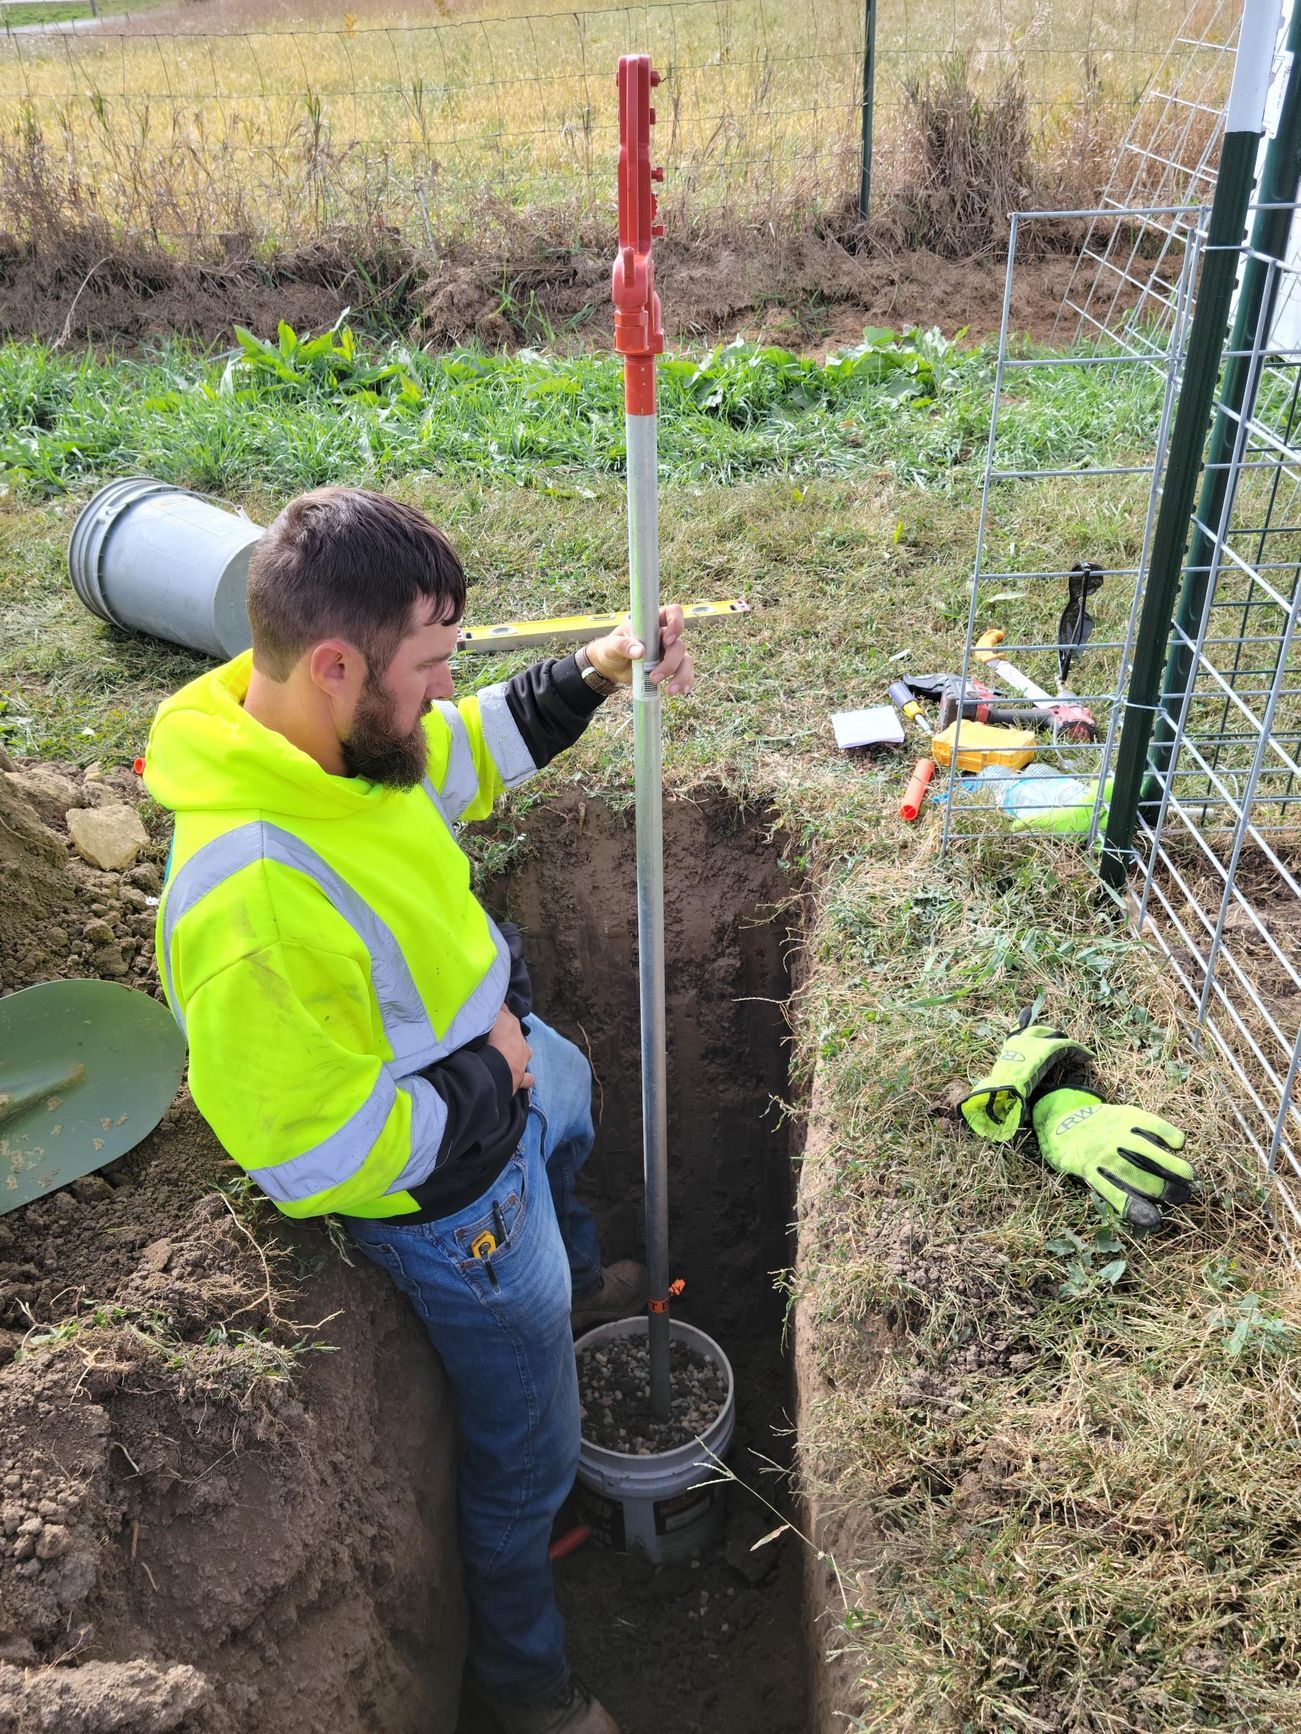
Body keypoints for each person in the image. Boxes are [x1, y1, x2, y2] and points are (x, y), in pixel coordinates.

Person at [144, 487, 696, 1734]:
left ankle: (583, 1266)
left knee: (572, 1098)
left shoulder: (330, 745)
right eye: (434, 664)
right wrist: (487, 1075)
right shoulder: (251, 906)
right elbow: (312, 1153)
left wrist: (597, 672)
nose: (449, 692)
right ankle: (526, 1686)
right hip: (453, 1202)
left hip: (502, 1068)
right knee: (527, 1462)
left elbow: (451, 757)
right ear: (338, 665)